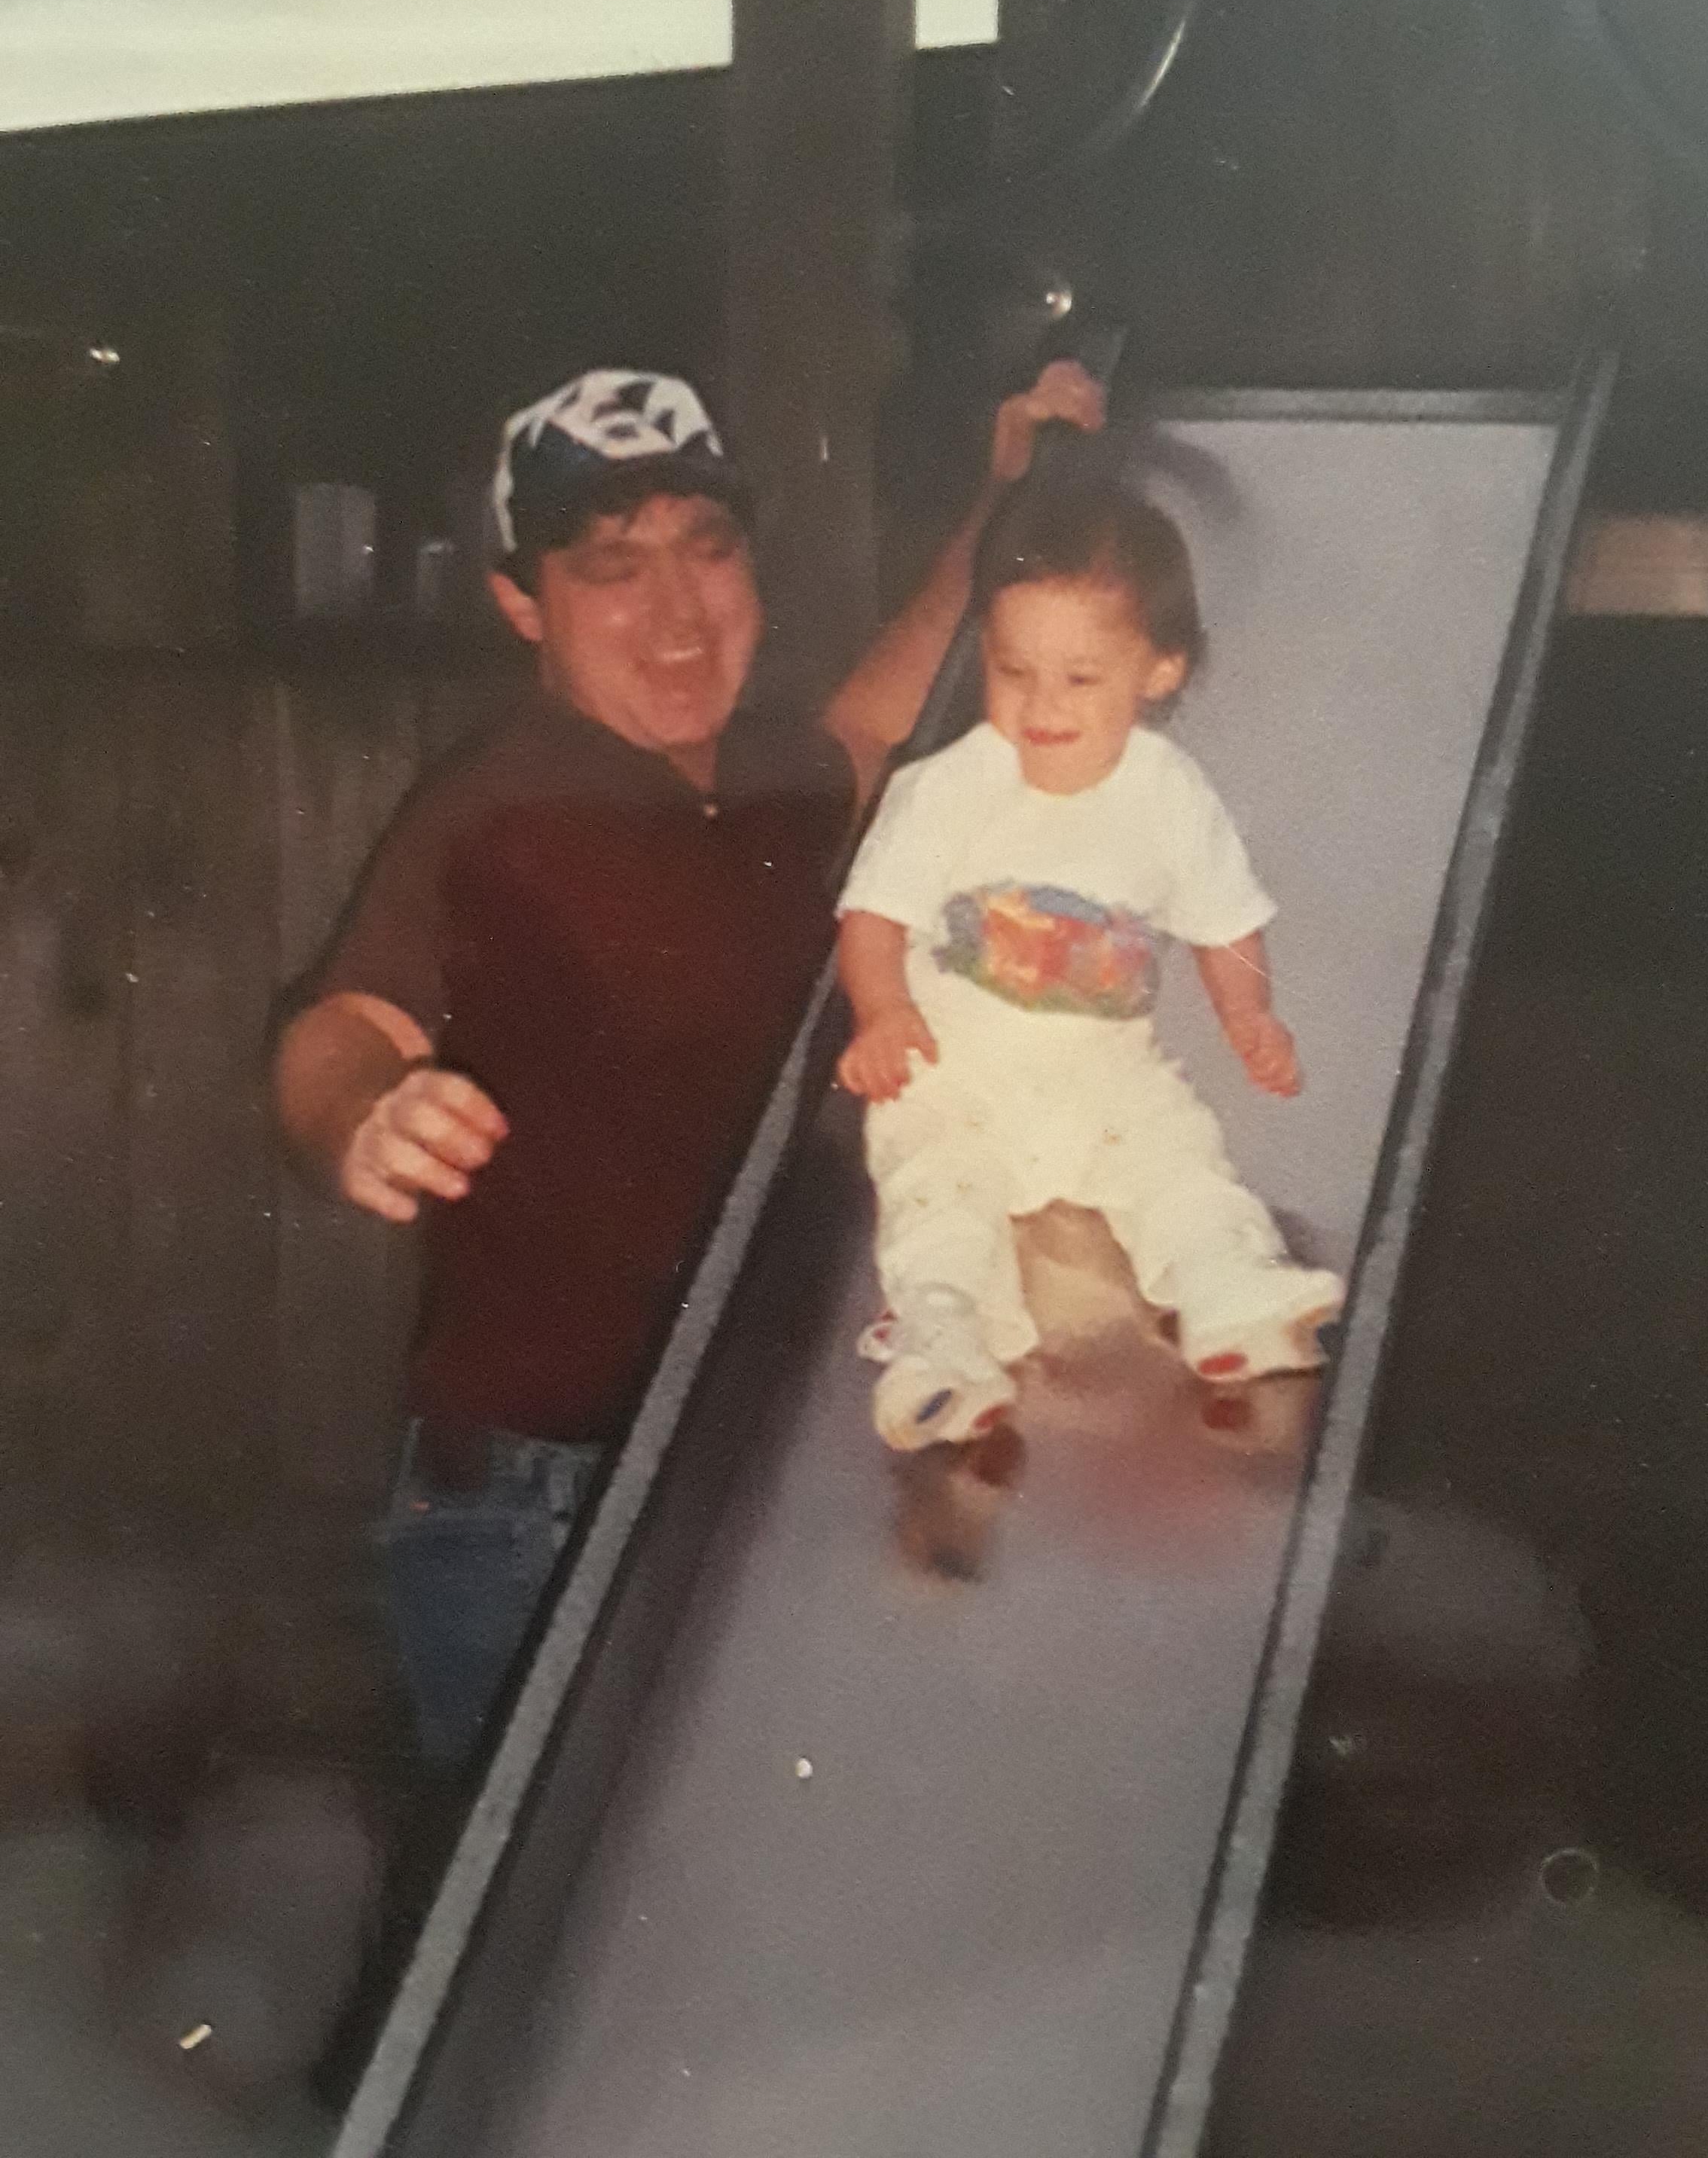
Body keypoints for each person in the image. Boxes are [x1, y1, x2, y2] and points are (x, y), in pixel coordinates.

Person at [273, 359, 1103, 1766]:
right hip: (539, 1510)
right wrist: (359, 1110)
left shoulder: (771, 776)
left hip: (755, 1478)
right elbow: (340, 1022)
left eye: (707, 552)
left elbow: (876, 717)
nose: (675, 611)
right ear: (521, 605)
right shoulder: (497, 809)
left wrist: (1000, 501)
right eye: (611, 569)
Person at [834, 476, 1344, 1451]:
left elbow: (1224, 920)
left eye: (1079, 678)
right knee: (939, 1202)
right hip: (954, 1079)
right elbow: (873, 916)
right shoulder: (945, 790)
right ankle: (942, 1339)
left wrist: (1249, 1015)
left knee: (1181, 1160)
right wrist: (882, 1012)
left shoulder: (1170, 793)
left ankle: (1226, 1287)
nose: (1040, 705)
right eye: (1014, 670)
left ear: (1157, 670)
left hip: (1105, 1082)